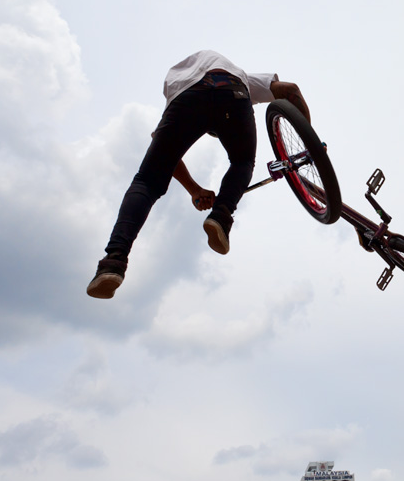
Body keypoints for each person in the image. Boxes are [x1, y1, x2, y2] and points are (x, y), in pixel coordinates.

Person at [87, 50, 310, 299]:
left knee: (148, 181)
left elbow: (163, 150)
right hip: (232, 92)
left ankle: (113, 262)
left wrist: (194, 190)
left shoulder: (177, 85)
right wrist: (309, 143)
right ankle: (222, 216)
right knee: (242, 161)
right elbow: (291, 89)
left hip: (186, 101)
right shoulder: (242, 75)